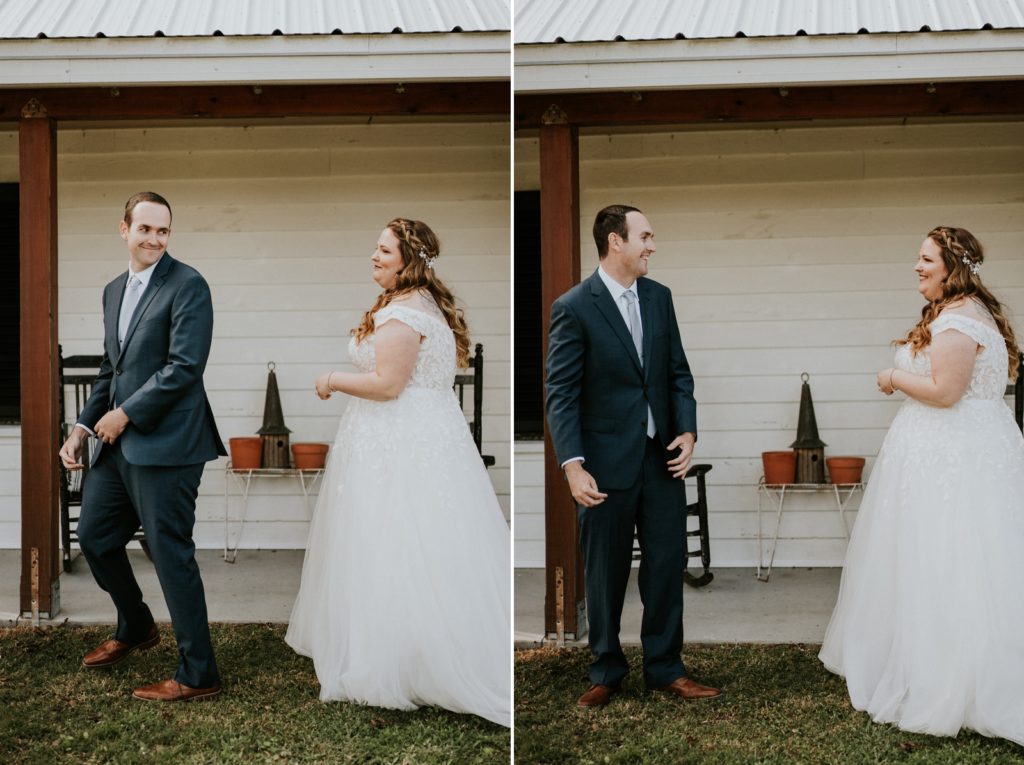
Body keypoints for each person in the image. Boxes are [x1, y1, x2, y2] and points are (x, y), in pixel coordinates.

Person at [285, 218, 511, 728]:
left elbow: (388, 384)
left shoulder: (406, 313)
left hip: (402, 442)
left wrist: (330, 379)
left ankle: (399, 662)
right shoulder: (413, 306)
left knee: (396, 542)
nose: (374, 256)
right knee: (410, 545)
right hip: (416, 436)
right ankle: (406, 646)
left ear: (409, 260)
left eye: (383, 250)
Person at [820, 226, 1024, 745]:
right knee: (944, 560)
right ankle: (930, 660)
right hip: (954, 453)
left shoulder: (959, 320)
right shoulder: (966, 314)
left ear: (952, 266)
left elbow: (946, 391)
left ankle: (956, 680)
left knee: (951, 560)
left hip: (954, 459)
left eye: (926, 258)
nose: (916, 266)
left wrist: (892, 377)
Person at [545, 204, 720, 709]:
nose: (652, 245)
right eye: (645, 236)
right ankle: (606, 670)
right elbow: (561, 392)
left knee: (666, 564)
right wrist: (572, 465)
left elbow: (677, 373)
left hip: (661, 458)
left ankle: (666, 668)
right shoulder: (574, 306)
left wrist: (686, 432)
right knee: (605, 572)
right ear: (615, 242)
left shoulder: (660, 298)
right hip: (601, 466)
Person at [58, 191, 226, 702]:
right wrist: (83, 427)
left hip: (171, 443)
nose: (154, 238)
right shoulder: (113, 290)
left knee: (171, 555)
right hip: (117, 444)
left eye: (164, 231)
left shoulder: (189, 284)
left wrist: (125, 414)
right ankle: (136, 625)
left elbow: (184, 367)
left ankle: (199, 674)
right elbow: (114, 369)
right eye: (145, 229)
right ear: (124, 229)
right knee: (95, 537)